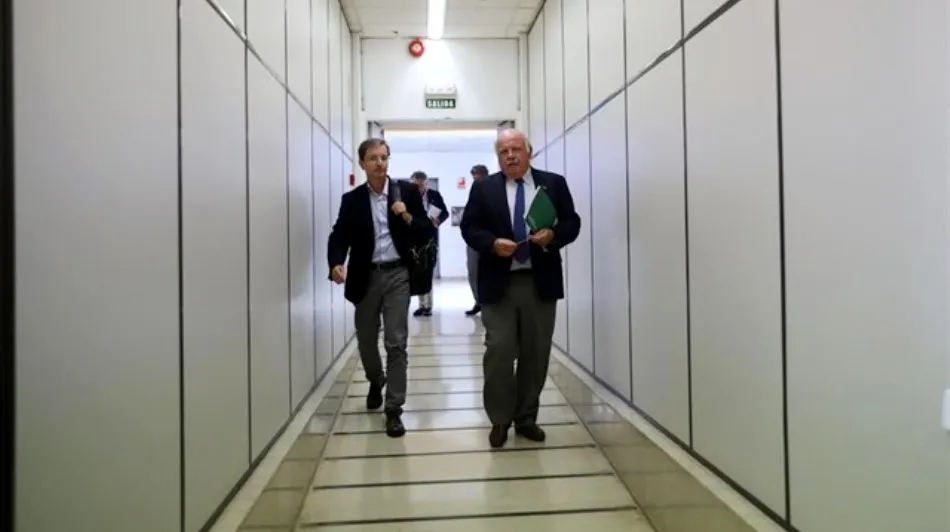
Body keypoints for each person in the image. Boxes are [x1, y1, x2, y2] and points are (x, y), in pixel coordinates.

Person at [460, 129, 581, 448]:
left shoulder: (553, 183)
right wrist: (491, 243)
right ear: (498, 157)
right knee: (499, 350)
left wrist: (553, 235)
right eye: (503, 151)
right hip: (499, 284)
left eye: (516, 149)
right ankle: (500, 418)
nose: (510, 155)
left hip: (539, 283)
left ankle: (526, 417)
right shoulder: (484, 189)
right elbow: (470, 228)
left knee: (535, 353)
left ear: (529, 151)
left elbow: (572, 223)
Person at [326, 138, 430, 438]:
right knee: (367, 340)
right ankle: (376, 378)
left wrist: (405, 214)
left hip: (398, 274)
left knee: (396, 342)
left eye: (384, 157)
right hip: (366, 276)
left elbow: (424, 231)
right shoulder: (353, 200)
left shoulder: (406, 192)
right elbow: (339, 235)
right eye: (373, 158)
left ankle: (394, 409)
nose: (380, 163)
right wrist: (335, 263)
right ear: (362, 163)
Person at [410, 170, 448, 317]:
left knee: (428, 271)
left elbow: (444, 212)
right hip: (414, 238)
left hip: (430, 238)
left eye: (422, 185)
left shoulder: (434, 195)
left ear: (426, 183)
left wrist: (438, 221)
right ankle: (421, 305)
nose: (419, 189)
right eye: (416, 186)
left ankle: (429, 306)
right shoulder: (408, 196)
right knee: (418, 272)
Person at [464, 164, 489, 316]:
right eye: (473, 176)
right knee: (473, 271)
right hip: (474, 238)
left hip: (490, 238)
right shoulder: (474, 189)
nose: (475, 179)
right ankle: (478, 301)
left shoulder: (493, 189)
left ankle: (487, 302)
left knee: (487, 271)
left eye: (477, 175)